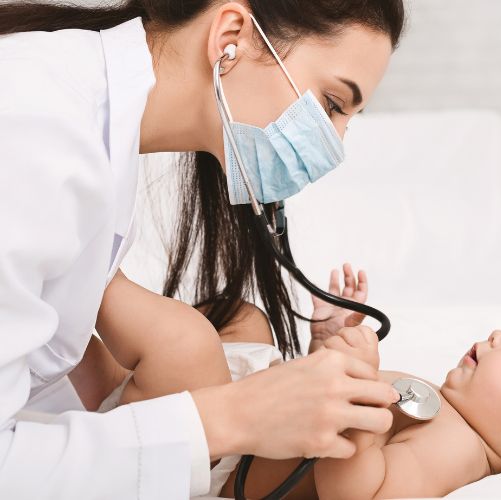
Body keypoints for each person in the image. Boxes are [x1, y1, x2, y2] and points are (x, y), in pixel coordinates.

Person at [0, 1, 405, 497]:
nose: (334, 144)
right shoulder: (36, 131)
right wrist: (238, 416)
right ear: (231, 35)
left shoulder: (90, 128)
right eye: (333, 105)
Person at [94, 264, 501, 499]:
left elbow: (358, 491)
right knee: (243, 315)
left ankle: (91, 278)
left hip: (220, 454)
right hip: (255, 396)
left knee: (185, 342)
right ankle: (118, 372)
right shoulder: (453, 411)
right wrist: (326, 347)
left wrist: (358, 394)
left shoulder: (457, 451)